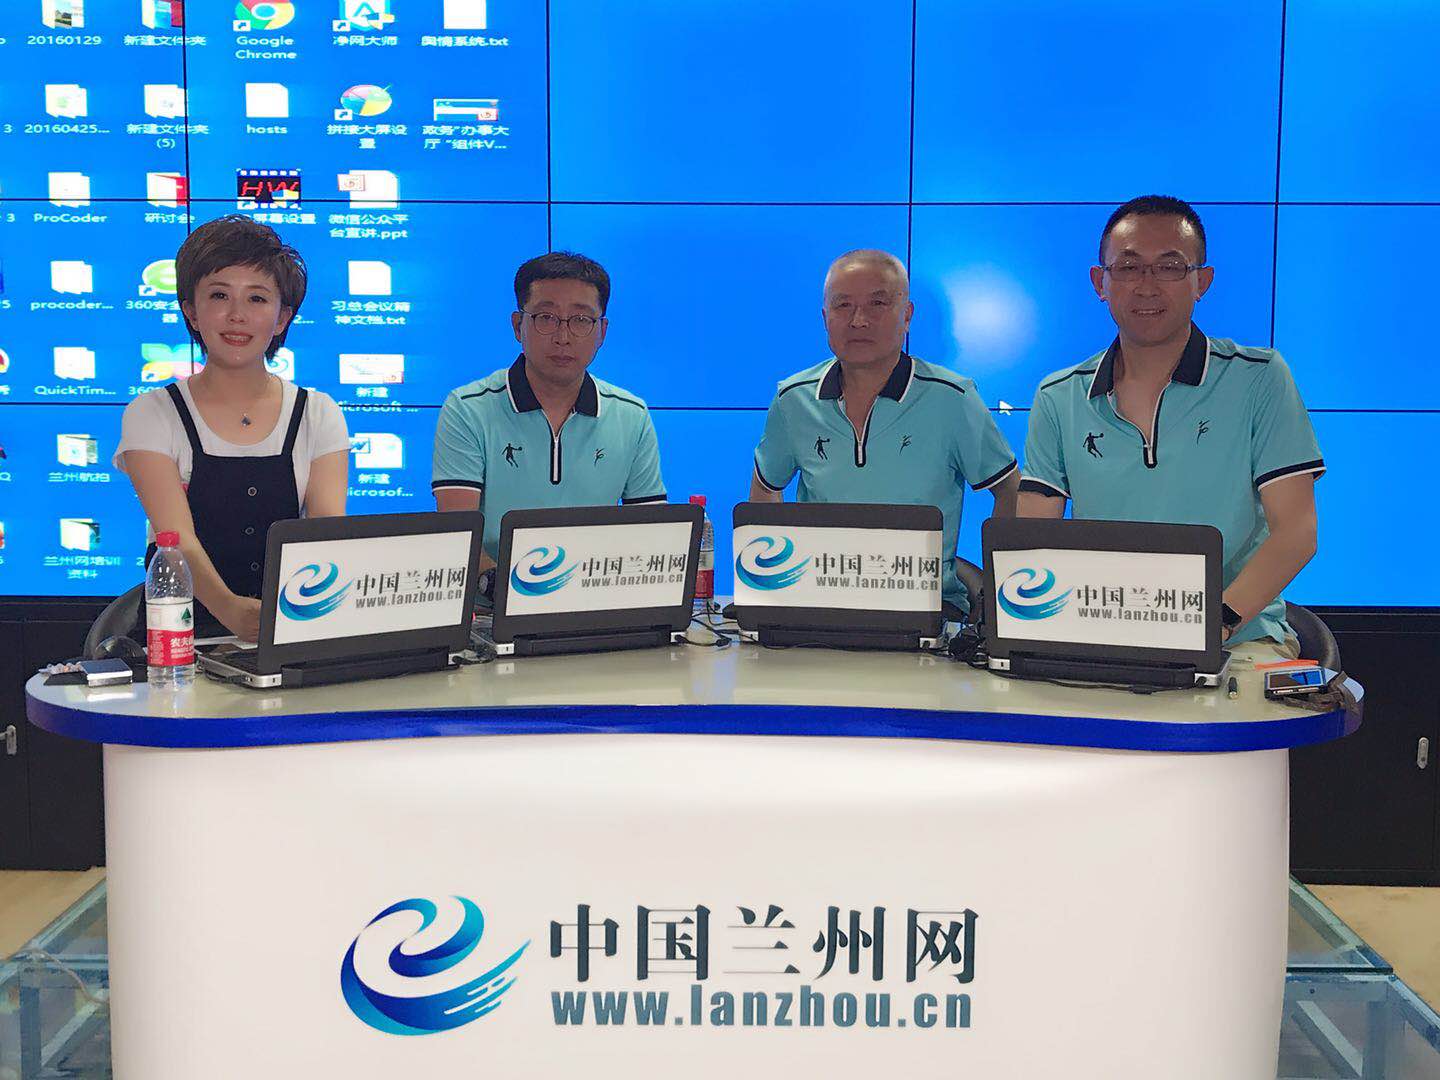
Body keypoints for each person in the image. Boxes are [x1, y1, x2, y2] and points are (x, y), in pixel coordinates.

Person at [1018, 195, 1324, 662]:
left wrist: (1214, 623)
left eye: (1170, 267)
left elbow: (1296, 533)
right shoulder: (1059, 396)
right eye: (1128, 267)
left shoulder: (1258, 378)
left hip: (1235, 640)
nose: (1147, 286)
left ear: (1202, 281)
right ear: (1100, 282)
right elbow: (1032, 539)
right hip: (1101, 638)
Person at [116, 215, 350, 640]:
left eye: (257, 298)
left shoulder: (318, 412)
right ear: (191, 311)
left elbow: (326, 537)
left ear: (282, 318)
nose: (237, 315)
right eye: (219, 295)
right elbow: (176, 539)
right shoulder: (152, 413)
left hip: (289, 633)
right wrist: (232, 612)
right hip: (178, 641)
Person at [749, 249, 1018, 616]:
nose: (859, 320)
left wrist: (1000, 597)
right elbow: (766, 486)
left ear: (907, 315)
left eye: (877, 303)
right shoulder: (793, 399)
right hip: (820, 605)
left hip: (928, 610)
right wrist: (772, 589)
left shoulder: (952, 398)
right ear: (825, 318)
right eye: (843, 305)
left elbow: (1010, 489)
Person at [431, 252, 666, 578]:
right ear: (518, 326)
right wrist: (520, 592)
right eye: (546, 317)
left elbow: (651, 535)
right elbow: (457, 536)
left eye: (581, 320)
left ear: (601, 332)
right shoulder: (468, 408)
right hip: (492, 601)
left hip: (595, 598)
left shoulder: (632, 415)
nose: (563, 337)